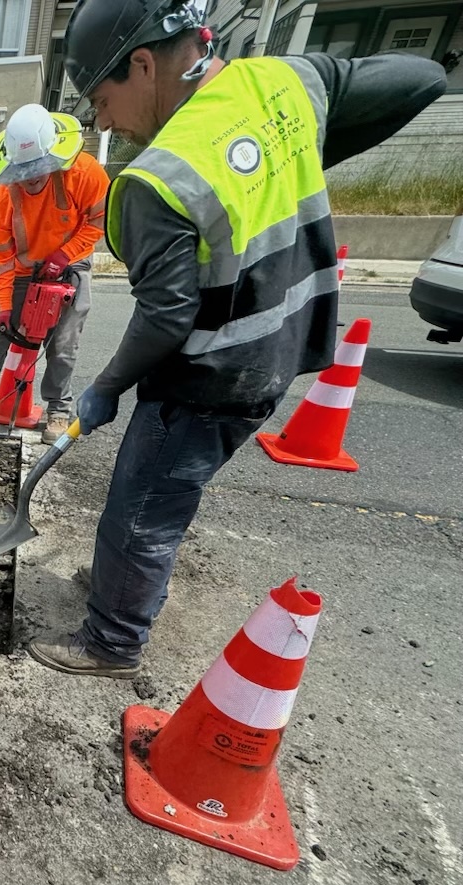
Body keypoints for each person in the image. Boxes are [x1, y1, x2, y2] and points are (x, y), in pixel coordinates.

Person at [26, 0, 447, 678]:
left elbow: (164, 317)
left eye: (101, 100)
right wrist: (309, 146)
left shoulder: (158, 176)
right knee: (156, 497)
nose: (101, 121)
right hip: (280, 351)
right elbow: (422, 77)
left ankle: (112, 640)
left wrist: (103, 388)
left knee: (141, 508)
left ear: (141, 64)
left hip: (210, 373)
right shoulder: (281, 84)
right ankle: (127, 584)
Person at [0, 103, 108, 444]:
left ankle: (59, 410)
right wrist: (4, 305)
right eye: (23, 171)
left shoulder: (85, 174)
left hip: (70, 265)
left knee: (63, 342)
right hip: (22, 271)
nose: (30, 179)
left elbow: (99, 223)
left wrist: (66, 255)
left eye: (38, 170)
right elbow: (0, 261)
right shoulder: (2, 201)